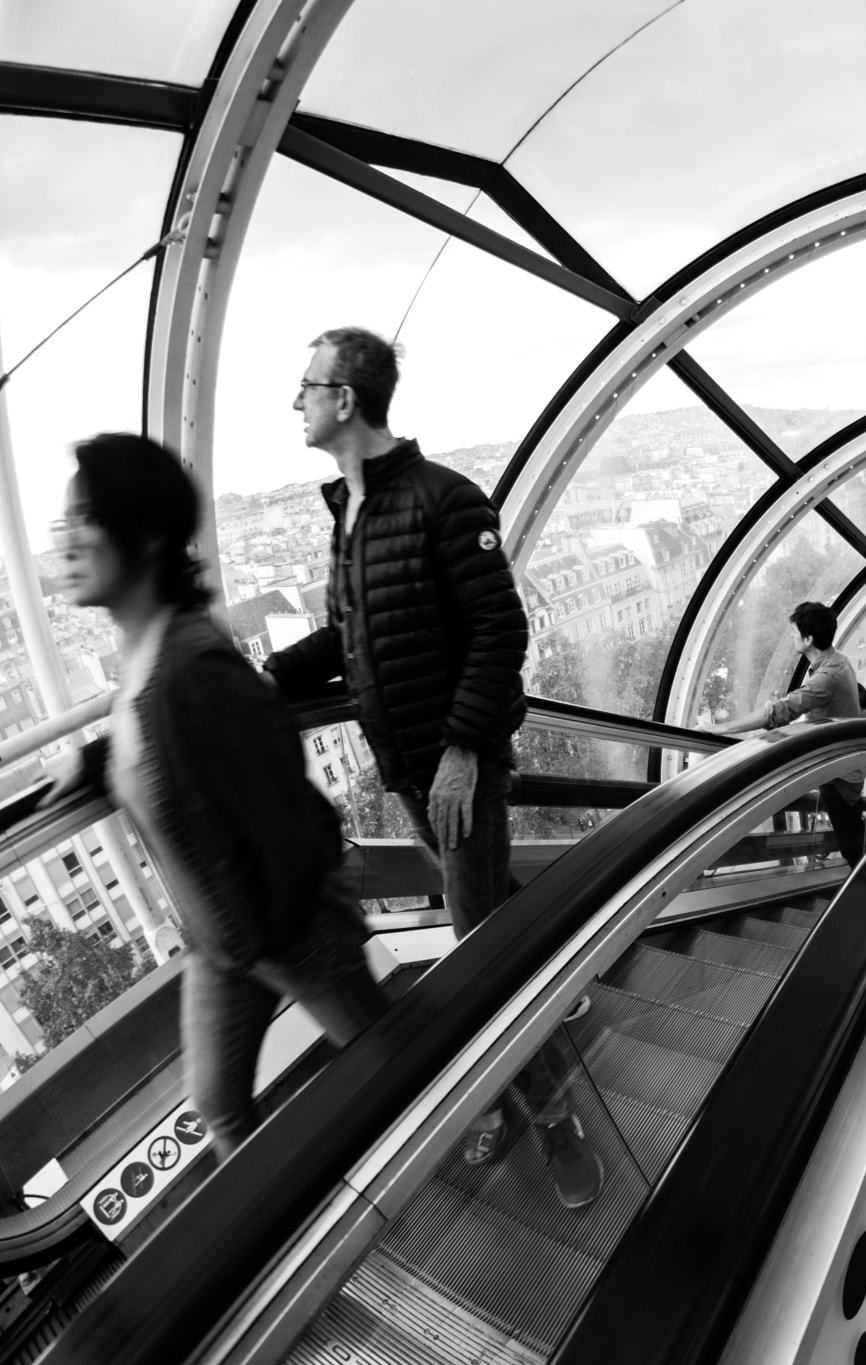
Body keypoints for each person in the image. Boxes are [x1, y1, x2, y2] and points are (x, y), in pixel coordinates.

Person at [264, 327, 601, 1209]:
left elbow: (502, 632)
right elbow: (354, 638)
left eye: (306, 385)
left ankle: (557, 1116)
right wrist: (264, 677)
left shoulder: (443, 500)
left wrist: (460, 752)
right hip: (412, 772)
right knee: (490, 920)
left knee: (480, 961)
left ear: (345, 399)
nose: (294, 400)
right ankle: (557, 1004)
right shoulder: (354, 513)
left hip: (457, 773)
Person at [44, 434, 389, 1153]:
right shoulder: (144, 661)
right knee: (218, 1103)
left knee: (399, 1068)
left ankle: (493, 1113)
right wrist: (94, 755)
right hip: (225, 940)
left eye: (84, 518)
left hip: (285, 935)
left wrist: (271, 930)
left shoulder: (192, 664)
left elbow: (293, 815)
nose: (66, 538)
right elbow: (164, 744)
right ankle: (292, 1252)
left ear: (141, 537)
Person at [708, 601, 866, 863]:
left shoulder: (828, 677)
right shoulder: (840, 662)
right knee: (853, 836)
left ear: (808, 639)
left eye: (795, 633)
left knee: (852, 844)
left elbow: (781, 711)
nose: (792, 637)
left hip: (840, 777)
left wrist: (722, 728)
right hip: (845, 768)